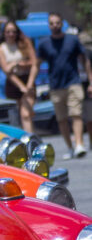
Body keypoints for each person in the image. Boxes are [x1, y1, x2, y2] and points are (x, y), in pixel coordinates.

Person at [37, 12, 92, 159]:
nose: (55, 26)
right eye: (52, 23)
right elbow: (36, 65)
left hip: (73, 82)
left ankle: (79, 144)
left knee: (76, 114)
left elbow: (84, 60)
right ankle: (70, 147)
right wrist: (30, 84)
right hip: (55, 86)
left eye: (58, 23)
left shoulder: (72, 40)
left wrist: (90, 81)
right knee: (61, 119)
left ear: (62, 24)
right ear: (49, 26)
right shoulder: (44, 43)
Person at [0, 20, 38, 134]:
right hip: (13, 83)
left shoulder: (25, 43)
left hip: (28, 79)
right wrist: (21, 87)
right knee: (18, 116)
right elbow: (7, 71)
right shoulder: (1, 49)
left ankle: (30, 140)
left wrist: (28, 84)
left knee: (26, 114)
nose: (11, 34)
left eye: (13, 31)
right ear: (4, 33)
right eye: (8, 32)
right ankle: (24, 139)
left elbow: (34, 63)